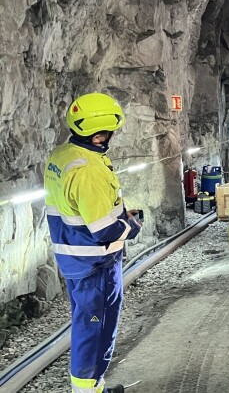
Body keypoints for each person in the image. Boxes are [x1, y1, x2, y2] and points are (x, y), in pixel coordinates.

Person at [44, 93, 143, 393]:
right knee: (96, 330)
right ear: (100, 133)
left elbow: (82, 209)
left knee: (89, 326)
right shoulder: (88, 169)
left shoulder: (63, 155)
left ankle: (93, 386)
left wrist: (119, 213)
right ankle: (87, 389)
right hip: (96, 264)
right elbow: (104, 230)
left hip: (75, 258)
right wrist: (131, 226)